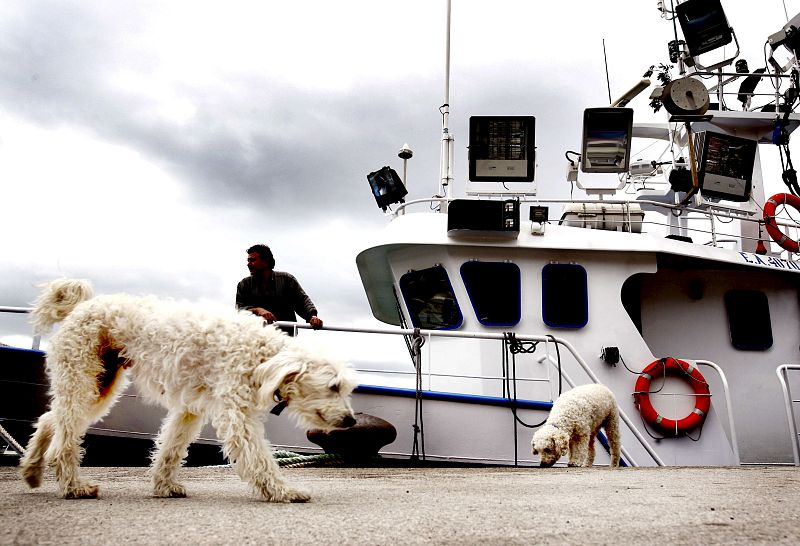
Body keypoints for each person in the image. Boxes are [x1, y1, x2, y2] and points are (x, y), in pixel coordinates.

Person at [236, 244, 323, 333]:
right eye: (248, 261)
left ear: (266, 262)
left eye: (253, 260)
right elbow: (239, 311)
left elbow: (302, 301)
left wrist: (313, 317)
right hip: (256, 338)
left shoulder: (287, 280)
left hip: (284, 338)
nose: (248, 264)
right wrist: (258, 310)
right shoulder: (244, 285)